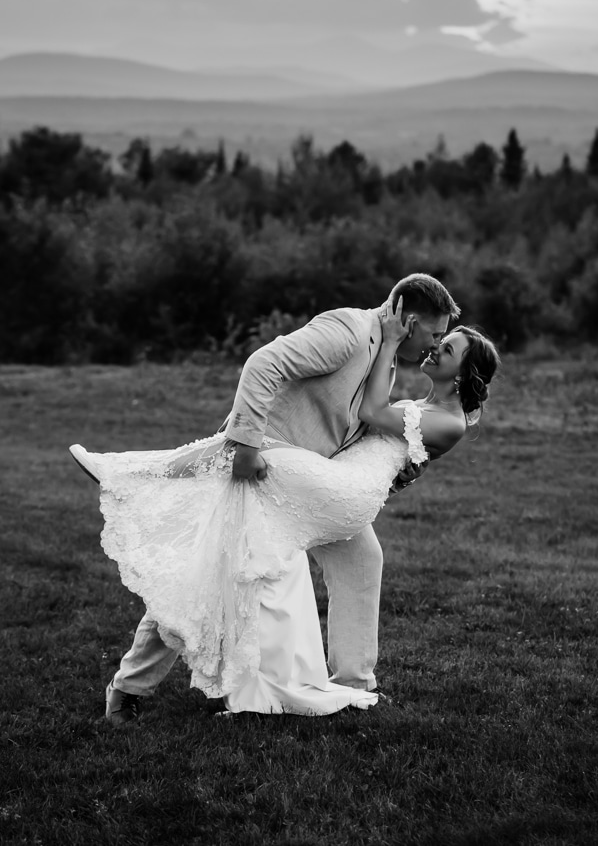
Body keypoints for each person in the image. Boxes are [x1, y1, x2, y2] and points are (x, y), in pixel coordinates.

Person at [72, 273, 464, 722]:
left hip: (309, 485)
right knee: (207, 574)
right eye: (435, 333)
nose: (435, 344)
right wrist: (246, 447)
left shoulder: (386, 353)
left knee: (362, 558)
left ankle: (354, 683)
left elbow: (350, 424)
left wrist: (395, 466)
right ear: (410, 320)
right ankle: (128, 690)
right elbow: (263, 364)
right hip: (261, 472)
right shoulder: (348, 332)